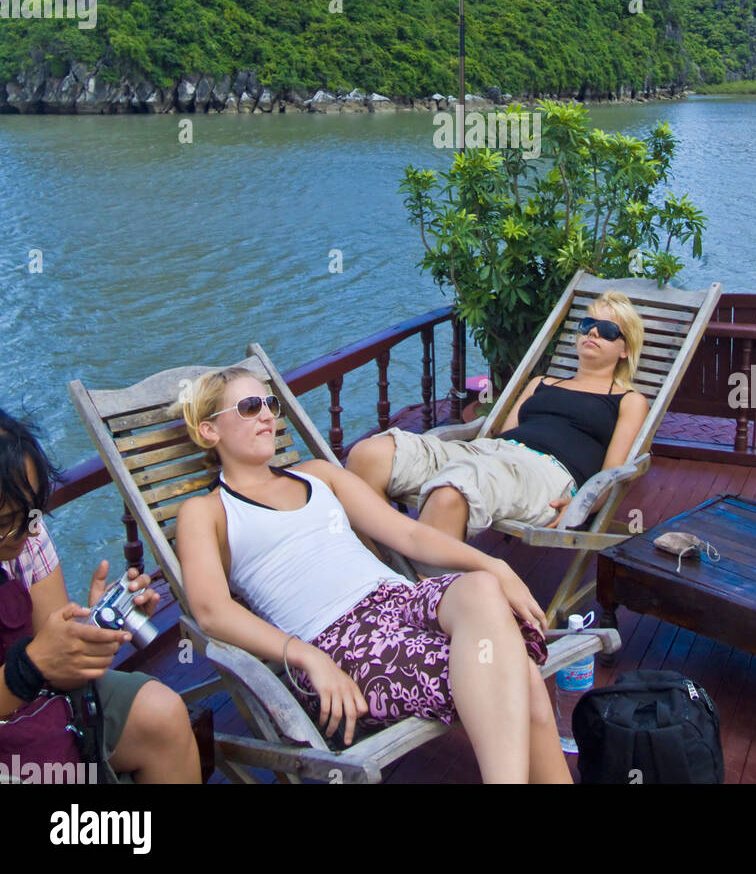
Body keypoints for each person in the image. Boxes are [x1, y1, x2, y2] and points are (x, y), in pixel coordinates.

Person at [176, 367, 573, 784]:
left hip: (399, 599)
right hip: (339, 640)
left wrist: (495, 564)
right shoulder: (207, 513)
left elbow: (408, 533)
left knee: (481, 585)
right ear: (209, 431)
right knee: (520, 674)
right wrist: (306, 656)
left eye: (270, 405)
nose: (266, 416)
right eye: (249, 406)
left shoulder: (318, 475)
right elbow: (211, 612)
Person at [346, 291, 650, 541]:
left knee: (451, 491)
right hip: (489, 453)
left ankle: (422, 600)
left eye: (608, 330)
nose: (593, 332)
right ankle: (379, 576)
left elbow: (612, 473)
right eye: (587, 325)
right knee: (368, 454)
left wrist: (583, 504)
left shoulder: (628, 400)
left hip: (544, 474)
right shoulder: (540, 383)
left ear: (625, 349)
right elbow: (503, 437)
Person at [0, 408, 201, 783]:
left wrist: (92, 627)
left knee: (163, 714)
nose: (26, 533)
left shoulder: (26, 534)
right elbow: (39, 663)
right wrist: (29, 668)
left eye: (33, 512)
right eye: (4, 523)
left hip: (35, 706)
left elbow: (55, 658)